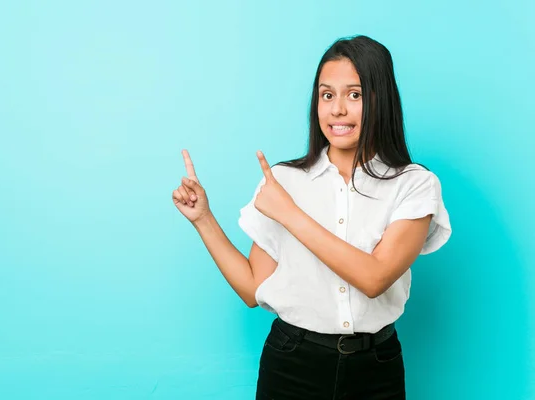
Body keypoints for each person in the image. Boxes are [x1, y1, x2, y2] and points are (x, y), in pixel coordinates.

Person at [172, 34, 451, 400]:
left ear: (381, 100)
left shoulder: (414, 184)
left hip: (375, 369)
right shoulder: (284, 180)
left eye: (355, 95)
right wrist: (203, 219)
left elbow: (374, 278)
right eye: (326, 94)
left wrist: (290, 214)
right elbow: (252, 288)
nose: (337, 109)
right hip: (291, 363)